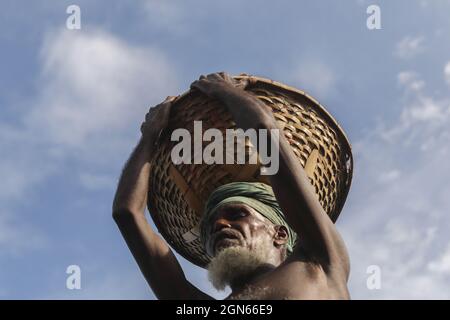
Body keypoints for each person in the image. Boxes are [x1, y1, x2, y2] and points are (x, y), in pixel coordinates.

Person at [112, 72, 350, 299]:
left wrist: (226, 93)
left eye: (237, 214)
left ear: (280, 234)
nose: (220, 224)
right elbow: (126, 213)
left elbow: (268, 139)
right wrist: (149, 136)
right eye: (208, 227)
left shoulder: (319, 264)